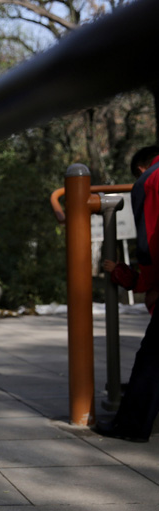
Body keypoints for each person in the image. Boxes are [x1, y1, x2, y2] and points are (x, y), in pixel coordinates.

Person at [96, 145, 159, 442]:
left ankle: (131, 426)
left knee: (152, 361)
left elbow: (150, 242)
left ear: (140, 167)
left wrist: (133, 278)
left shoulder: (149, 180)